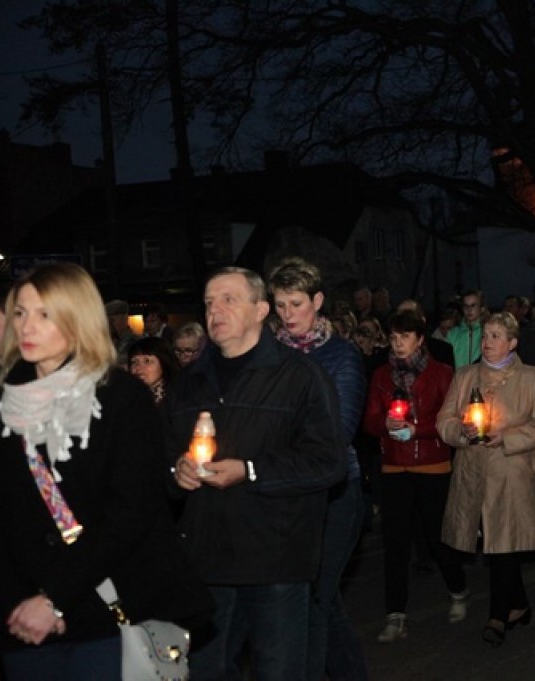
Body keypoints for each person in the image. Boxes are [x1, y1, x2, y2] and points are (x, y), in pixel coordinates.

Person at [0, 263, 212, 680]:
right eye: (20, 313)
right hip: (22, 620)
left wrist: (56, 598)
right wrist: (24, 603)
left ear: (77, 319)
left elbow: (131, 511)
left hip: (109, 609)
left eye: (45, 314)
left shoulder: (119, 398)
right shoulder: (5, 401)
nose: (28, 325)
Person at [164, 266, 347, 680]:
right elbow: (163, 461)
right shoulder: (189, 383)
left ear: (262, 309)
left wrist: (249, 471)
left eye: (229, 299)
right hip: (207, 560)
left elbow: (328, 462)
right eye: (210, 302)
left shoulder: (300, 377)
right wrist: (176, 471)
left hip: (275, 559)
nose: (216, 310)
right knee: (207, 671)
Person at [267, 257, 368, 681]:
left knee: (316, 601)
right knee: (319, 603)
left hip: (335, 493)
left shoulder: (342, 356)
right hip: (285, 494)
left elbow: (338, 431)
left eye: (296, 303)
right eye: (280, 305)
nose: (288, 314)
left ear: (318, 301)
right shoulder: (266, 352)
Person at [437, 312, 535, 648]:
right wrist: (460, 430)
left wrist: (507, 436)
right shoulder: (465, 376)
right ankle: (518, 604)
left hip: (511, 474)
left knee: (502, 546)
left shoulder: (532, 377)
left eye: (496, 336)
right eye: (486, 335)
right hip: (473, 472)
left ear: (512, 342)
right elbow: (443, 420)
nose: (487, 343)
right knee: (493, 542)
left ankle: (498, 615)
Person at [363, 310, 468, 643]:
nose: (398, 343)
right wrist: (386, 425)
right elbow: (369, 421)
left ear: (420, 338)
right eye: (393, 337)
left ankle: (457, 589)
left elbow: (448, 418)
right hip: (394, 467)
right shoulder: (381, 375)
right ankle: (395, 615)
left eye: (405, 336)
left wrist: (417, 430)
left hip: (433, 466)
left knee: (438, 537)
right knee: (396, 543)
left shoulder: (441, 373)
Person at [128, 335, 181, 406]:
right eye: (134, 361)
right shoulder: (128, 398)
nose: (138, 367)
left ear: (164, 363)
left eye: (147, 361)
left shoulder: (177, 398)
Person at [446, 290, 486, 368]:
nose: (469, 309)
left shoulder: (487, 332)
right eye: (466, 306)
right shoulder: (453, 333)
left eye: (473, 305)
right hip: (458, 378)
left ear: (482, 308)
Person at [104, 299, 136, 367]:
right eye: (108, 321)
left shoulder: (135, 342)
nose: (110, 324)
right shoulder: (105, 342)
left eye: (113, 320)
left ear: (125, 319)